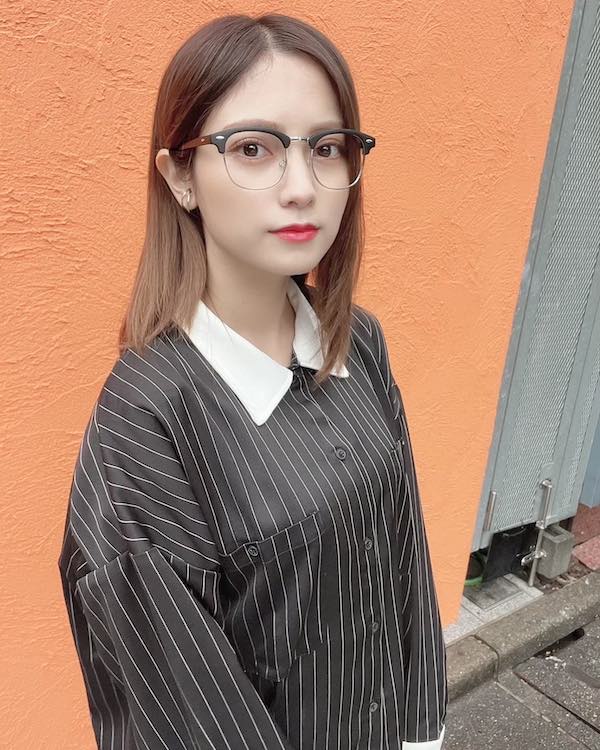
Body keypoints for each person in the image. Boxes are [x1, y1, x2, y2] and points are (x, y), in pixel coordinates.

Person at [57, 12, 448, 750]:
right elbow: (186, 714)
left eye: (326, 148)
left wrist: (424, 729)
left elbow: (405, 547)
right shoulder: (144, 427)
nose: (301, 187)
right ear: (180, 175)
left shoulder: (357, 340)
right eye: (253, 148)